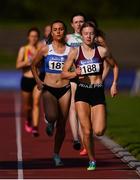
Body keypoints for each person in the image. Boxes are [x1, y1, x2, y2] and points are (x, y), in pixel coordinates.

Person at [62, 22, 119, 170]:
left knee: (99, 131)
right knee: (86, 131)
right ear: (81, 36)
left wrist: (114, 84)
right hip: (82, 91)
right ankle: (92, 160)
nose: (88, 36)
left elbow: (115, 66)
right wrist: (75, 73)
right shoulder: (75, 52)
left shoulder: (102, 51)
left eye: (91, 33)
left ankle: (98, 121)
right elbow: (63, 73)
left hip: (97, 91)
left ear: (95, 35)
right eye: (86, 33)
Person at [31, 20, 71, 167]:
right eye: (55, 29)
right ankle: (49, 121)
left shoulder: (71, 51)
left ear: (64, 32)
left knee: (62, 124)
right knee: (52, 115)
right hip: (48, 88)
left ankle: (56, 154)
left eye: (61, 29)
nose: (58, 31)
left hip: (65, 89)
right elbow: (33, 65)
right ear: (52, 33)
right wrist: (38, 81)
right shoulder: (45, 49)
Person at [16, 27, 41, 137]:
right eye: (32, 36)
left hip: (37, 80)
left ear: (38, 38)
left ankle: (35, 127)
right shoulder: (24, 49)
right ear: (28, 37)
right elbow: (18, 65)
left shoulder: (41, 49)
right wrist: (28, 61)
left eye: (36, 36)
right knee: (28, 107)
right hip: (26, 79)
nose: (33, 38)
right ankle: (28, 119)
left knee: (36, 102)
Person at [66, 13, 86, 152]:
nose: (79, 24)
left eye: (81, 21)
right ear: (72, 24)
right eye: (76, 22)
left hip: (88, 77)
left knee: (85, 111)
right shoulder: (67, 38)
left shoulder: (90, 37)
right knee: (73, 107)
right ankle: (76, 139)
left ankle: (85, 140)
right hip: (73, 76)